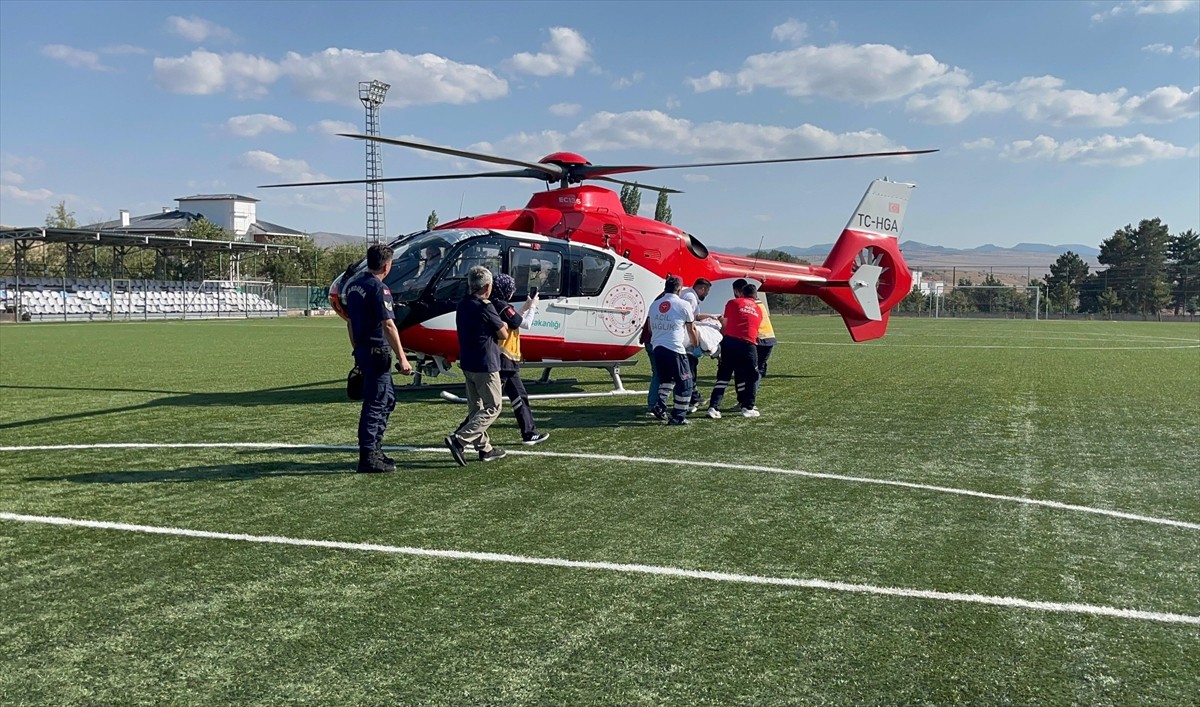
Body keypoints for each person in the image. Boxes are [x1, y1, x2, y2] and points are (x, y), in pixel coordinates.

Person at [343, 244, 413, 473]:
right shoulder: (379, 289)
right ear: (387, 265)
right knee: (377, 403)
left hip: (364, 349)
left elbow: (350, 322)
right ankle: (368, 456)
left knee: (387, 399)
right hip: (377, 351)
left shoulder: (353, 286)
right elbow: (389, 325)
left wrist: (357, 349)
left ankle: (375, 449)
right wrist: (402, 358)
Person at [444, 266, 509, 466]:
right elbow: (503, 333)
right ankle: (459, 439)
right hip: (485, 363)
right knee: (493, 406)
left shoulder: (463, 304)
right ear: (487, 287)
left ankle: (485, 449)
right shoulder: (485, 306)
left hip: (468, 362)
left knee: (476, 408)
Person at [490, 273, 550, 445]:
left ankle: (529, 433)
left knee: (519, 396)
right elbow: (525, 324)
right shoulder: (501, 305)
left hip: (506, 360)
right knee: (489, 403)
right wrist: (534, 307)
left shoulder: (496, 305)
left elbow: (515, 318)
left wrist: (526, 306)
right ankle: (462, 434)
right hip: (504, 359)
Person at [706, 281, 763, 419]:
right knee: (751, 376)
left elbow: (725, 323)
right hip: (748, 344)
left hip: (730, 342)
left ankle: (713, 407)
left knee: (724, 376)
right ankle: (747, 406)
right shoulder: (759, 309)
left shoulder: (733, 303)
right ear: (755, 296)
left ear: (742, 293)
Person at [648, 276, 699, 425]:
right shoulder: (683, 305)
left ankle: (660, 405)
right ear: (679, 289)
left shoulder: (655, 305)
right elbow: (692, 329)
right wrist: (696, 346)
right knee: (685, 383)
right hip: (675, 348)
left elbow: (651, 329)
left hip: (657, 348)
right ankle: (678, 417)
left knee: (666, 380)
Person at [678, 278, 714, 411]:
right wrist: (696, 343)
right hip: (686, 340)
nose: (707, 294)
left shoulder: (688, 294)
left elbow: (695, 316)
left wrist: (711, 316)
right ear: (702, 289)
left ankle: (694, 396)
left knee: (690, 368)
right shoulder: (691, 298)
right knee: (689, 368)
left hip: (683, 338)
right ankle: (689, 400)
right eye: (707, 291)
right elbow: (689, 321)